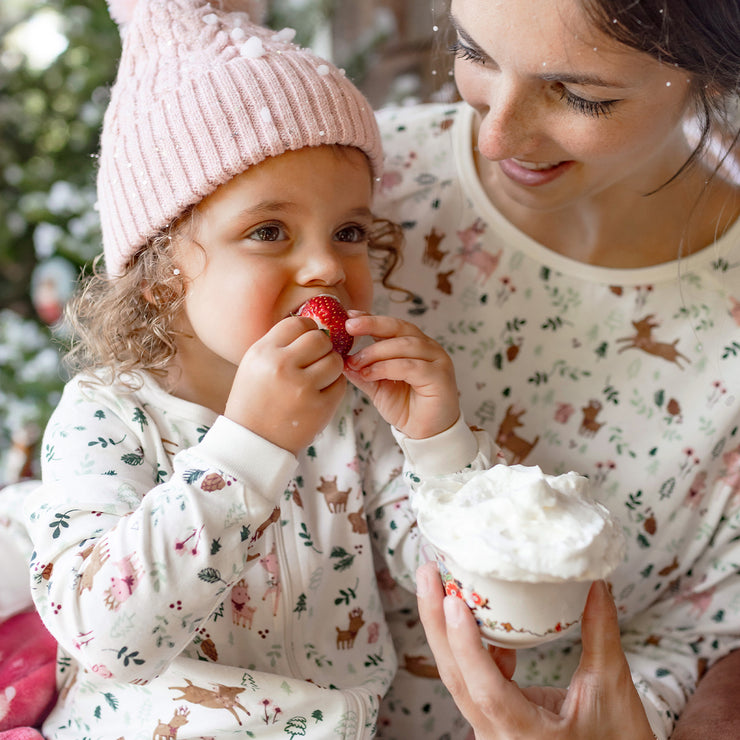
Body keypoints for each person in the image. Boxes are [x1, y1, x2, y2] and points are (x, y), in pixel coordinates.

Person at [22, 0, 498, 737]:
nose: (324, 266)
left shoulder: (357, 411)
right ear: (159, 275)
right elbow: (106, 638)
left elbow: (479, 610)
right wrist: (249, 447)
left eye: (348, 232)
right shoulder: (108, 417)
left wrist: (438, 444)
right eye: (268, 231)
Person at [371, 0, 740, 738]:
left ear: (712, 71)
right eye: (474, 53)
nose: (494, 132)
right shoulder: (353, 195)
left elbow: (707, 634)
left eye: (580, 96)